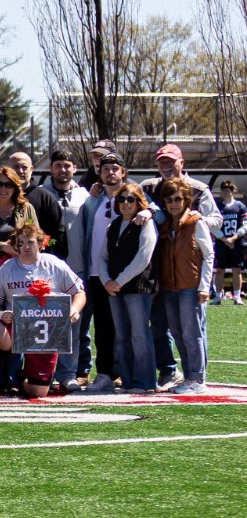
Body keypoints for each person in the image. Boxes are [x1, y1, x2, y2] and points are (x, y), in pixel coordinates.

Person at [0, 221, 87, 399]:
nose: (26, 246)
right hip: (16, 329)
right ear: (15, 246)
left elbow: (79, 292)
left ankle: (21, 379)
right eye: (21, 243)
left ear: (41, 243)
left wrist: (74, 310)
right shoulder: (7, 267)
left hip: (45, 334)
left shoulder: (54, 264)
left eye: (30, 242)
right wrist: (1, 314)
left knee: (38, 392)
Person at [150, 177, 213, 395]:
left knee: (192, 334)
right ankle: (189, 377)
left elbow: (209, 255)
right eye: (169, 200)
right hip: (169, 287)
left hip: (191, 286)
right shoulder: (165, 225)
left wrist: (204, 286)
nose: (173, 204)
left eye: (178, 199)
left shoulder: (196, 222)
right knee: (177, 333)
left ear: (186, 199)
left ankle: (197, 378)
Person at [83, 152, 137, 392]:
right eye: (105, 169)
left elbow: (155, 210)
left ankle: (127, 372)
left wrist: (148, 212)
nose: (110, 173)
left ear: (123, 172)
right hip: (97, 273)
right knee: (103, 326)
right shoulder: (93, 199)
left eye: (115, 168)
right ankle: (105, 373)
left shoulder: (132, 195)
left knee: (127, 327)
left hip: (126, 274)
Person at [41, 149, 93, 387]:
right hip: (48, 272)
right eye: (58, 165)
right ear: (51, 168)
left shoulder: (85, 195)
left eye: (67, 165)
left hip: (78, 269)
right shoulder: (41, 194)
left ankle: (68, 374)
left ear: (75, 168)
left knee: (75, 324)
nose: (63, 170)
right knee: (46, 324)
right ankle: (45, 373)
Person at [102, 181, 159, 392]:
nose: (125, 203)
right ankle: (127, 381)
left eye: (130, 199)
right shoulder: (112, 226)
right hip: (114, 289)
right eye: (121, 199)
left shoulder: (146, 224)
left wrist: (119, 280)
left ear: (139, 202)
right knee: (122, 337)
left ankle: (145, 382)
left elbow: (144, 257)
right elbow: (102, 257)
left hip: (138, 288)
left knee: (139, 335)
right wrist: (106, 281)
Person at [217, 180, 246, 304]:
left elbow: (245, 225)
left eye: (227, 190)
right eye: (223, 190)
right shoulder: (218, 207)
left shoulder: (240, 206)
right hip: (221, 242)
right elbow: (214, 226)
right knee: (219, 270)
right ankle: (217, 297)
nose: (224, 193)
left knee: (236, 270)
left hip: (236, 243)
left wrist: (234, 238)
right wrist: (224, 239)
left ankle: (237, 297)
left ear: (233, 191)